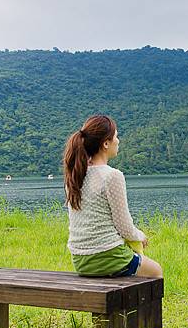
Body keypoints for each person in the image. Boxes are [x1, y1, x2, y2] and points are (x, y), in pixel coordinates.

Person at [63, 114, 163, 278]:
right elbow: (124, 226)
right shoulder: (112, 176)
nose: (118, 141)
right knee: (156, 271)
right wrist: (141, 236)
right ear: (106, 143)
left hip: (80, 260)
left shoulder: (75, 175)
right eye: (116, 136)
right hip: (108, 255)